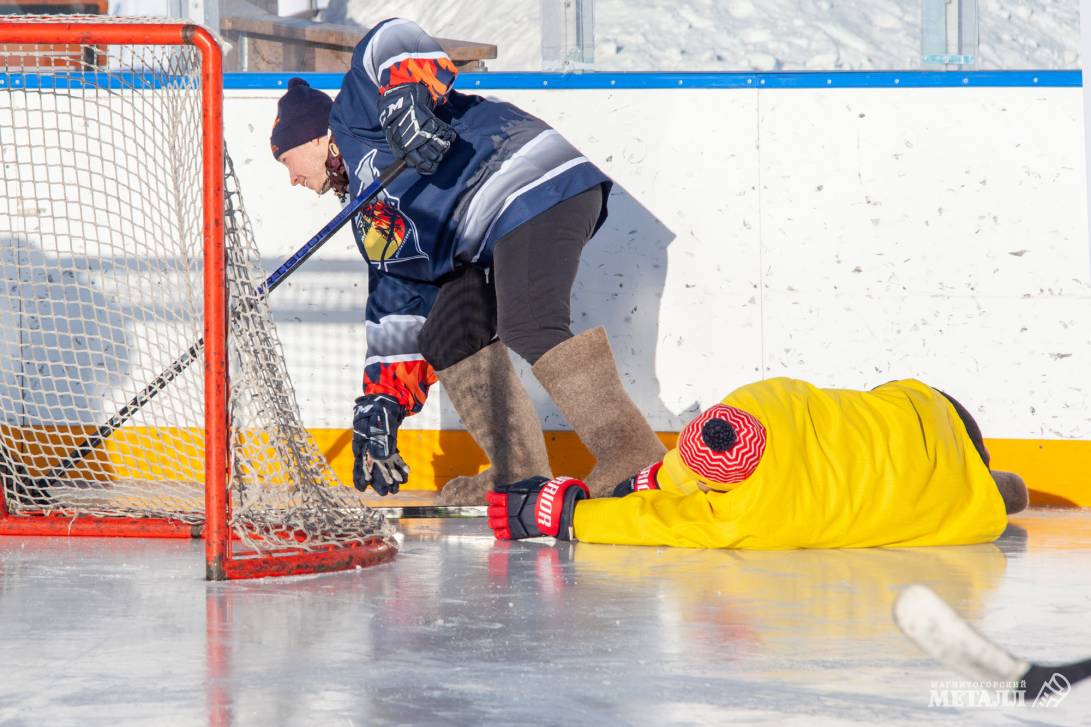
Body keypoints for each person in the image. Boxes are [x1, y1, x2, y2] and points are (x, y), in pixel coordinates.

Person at [270, 18, 665, 504]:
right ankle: (517, 474)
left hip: (533, 185)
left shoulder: (353, 119)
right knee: (446, 333)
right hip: (498, 231)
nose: (291, 180)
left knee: (529, 322)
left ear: (313, 139)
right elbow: (399, 310)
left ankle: (632, 456)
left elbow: (390, 39)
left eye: (285, 161)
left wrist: (403, 101)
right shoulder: (371, 223)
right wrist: (383, 402)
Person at [486, 377, 1029, 546]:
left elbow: (661, 523)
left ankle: (988, 485)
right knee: (886, 416)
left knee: (977, 493)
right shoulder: (763, 400)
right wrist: (652, 477)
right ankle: (982, 471)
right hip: (927, 411)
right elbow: (694, 455)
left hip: (940, 494)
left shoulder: (752, 515)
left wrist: (566, 515)